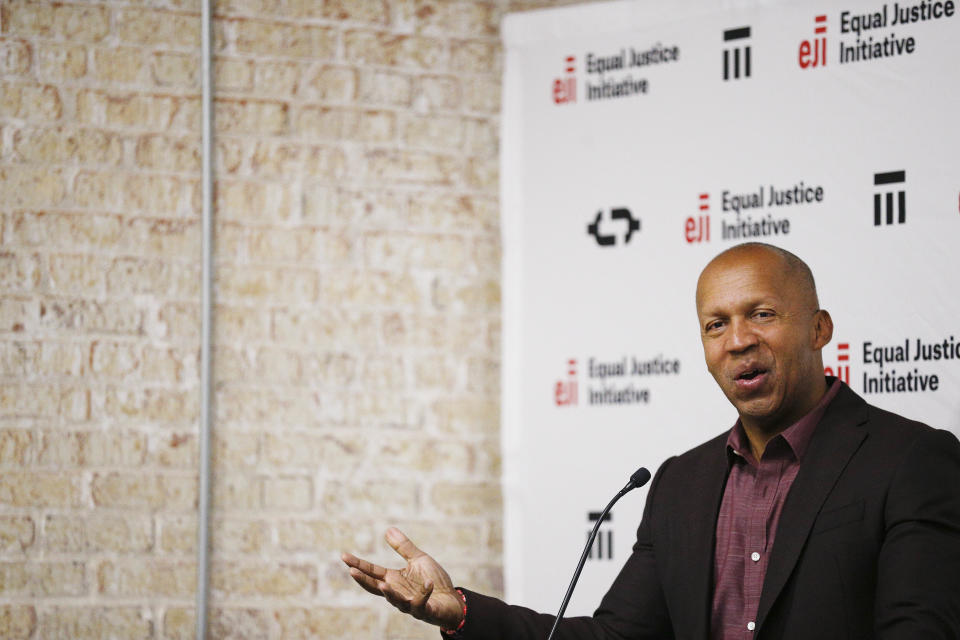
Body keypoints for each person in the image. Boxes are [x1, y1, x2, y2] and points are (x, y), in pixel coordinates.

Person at [342, 242, 960, 639]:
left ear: (820, 328)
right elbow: (616, 638)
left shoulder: (911, 460)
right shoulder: (681, 483)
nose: (738, 340)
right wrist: (465, 612)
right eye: (716, 325)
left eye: (762, 314)